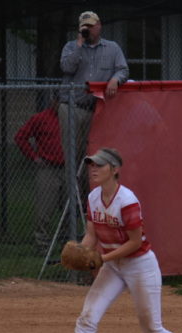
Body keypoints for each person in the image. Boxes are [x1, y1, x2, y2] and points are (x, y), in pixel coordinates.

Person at [53, 147, 182, 333]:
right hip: (112, 265)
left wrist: (103, 258)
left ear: (115, 170)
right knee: (88, 316)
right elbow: (91, 234)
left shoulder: (126, 200)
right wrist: (82, 250)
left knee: (152, 331)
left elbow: (135, 242)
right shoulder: (93, 197)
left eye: (99, 165)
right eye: (91, 165)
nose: (93, 169)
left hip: (140, 265)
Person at [59, 11, 129, 198]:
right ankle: (71, 208)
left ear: (99, 26)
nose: (88, 29)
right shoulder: (71, 47)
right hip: (72, 108)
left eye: (91, 26)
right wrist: (79, 44)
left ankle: (89, 202)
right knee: (73, 158)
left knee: (94, 157)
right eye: (84, 26)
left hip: (98, 110)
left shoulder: (112, 48)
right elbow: (67, 67)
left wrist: (115, 79)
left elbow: (123, 69)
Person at [14, 93, 66, 254]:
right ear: (53, 102)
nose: (62, 106)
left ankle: (68, 244)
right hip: (48, 169)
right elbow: (20, 137)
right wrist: (34, 157)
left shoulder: (71, 118)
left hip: (68, 168)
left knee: (69, 209)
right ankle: (42, 245)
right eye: (60, 102)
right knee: (44, 210)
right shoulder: (40, 118)